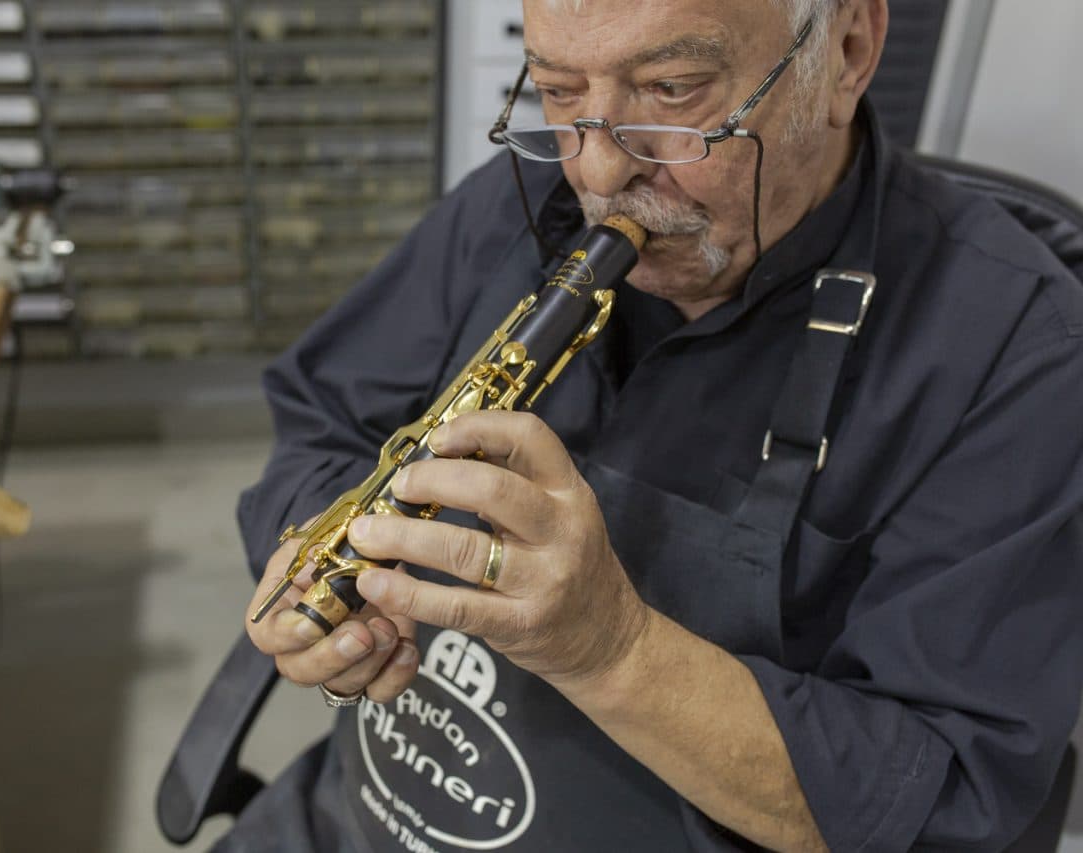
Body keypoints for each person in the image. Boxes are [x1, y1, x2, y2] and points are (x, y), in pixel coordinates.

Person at [231, 0, 1083, 849]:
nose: (598, 176)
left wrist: (612, 650)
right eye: (559, 92)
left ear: (850, 51)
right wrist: (326, 584)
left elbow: (948, 803)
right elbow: (323, 415)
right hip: (358, 814)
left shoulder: (1018, 350)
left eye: (672, 91)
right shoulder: (521, 201)